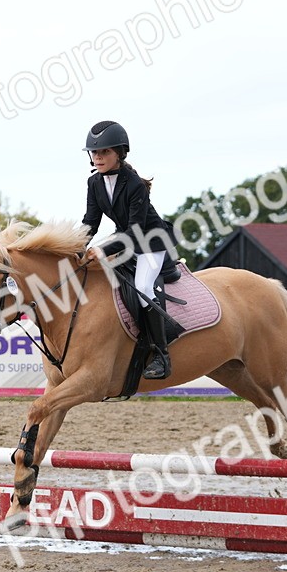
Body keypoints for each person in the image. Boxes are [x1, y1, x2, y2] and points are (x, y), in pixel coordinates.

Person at [80, 120, 179, 380]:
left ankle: (161, 355)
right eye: (94, 153)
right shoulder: (94, 183)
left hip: (150, 243)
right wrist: (76, 248)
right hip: (125, 241)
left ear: (120, 153)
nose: (98, 157)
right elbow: (91, 222)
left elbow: (135, 231)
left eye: (104, 152)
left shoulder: (134, 184)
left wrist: (103, 248)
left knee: (144, 288)